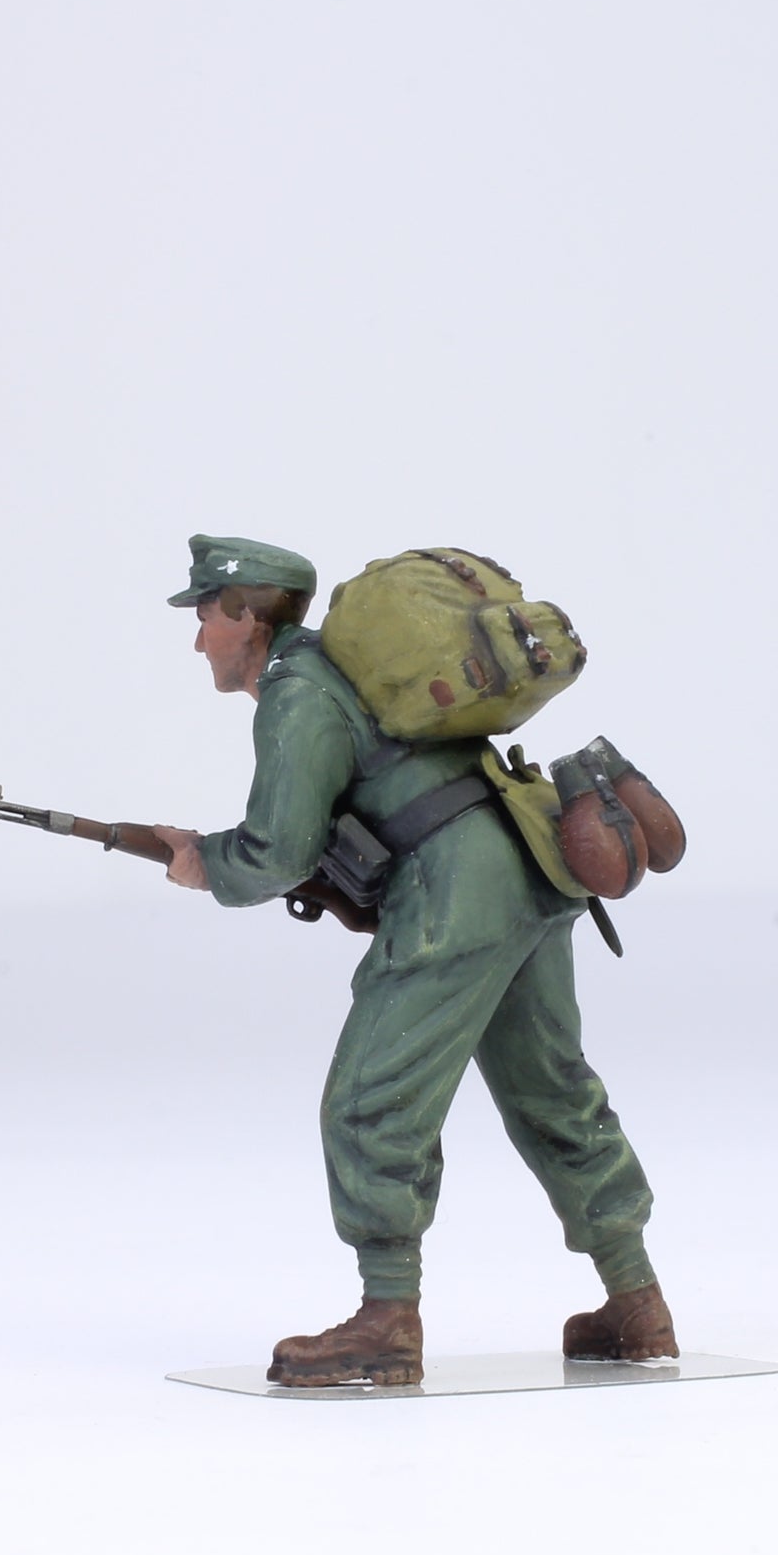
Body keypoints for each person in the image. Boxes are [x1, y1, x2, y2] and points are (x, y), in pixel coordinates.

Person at [154, 533, 676, 1387]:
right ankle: (637, 1299)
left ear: (247, 615)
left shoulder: (298, 692)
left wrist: (202, 863)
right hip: (532, 863)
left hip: (457, 894)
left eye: (207, 615)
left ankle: (387, 1318)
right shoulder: (363, 672)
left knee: (371, 1101)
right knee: (553, 1090)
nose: (199, 638)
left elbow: (277, 850)